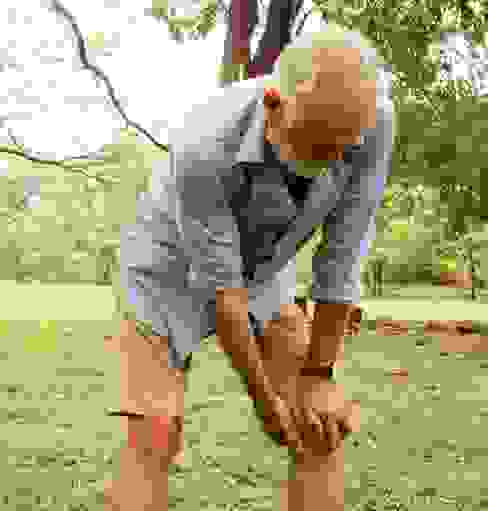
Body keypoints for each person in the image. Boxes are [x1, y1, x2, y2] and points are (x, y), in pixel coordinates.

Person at [104, 22, 394, 511]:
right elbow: (225, 296)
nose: (330, 163)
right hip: (164, 269)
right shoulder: (204, 140)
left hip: (264, 271)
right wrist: (264, 401)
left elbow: (341, 259)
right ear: (273, 104)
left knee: (318, 427)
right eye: (316, 145)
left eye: (343, 149)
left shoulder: (374, 121)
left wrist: (318, 377)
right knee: (154, 434)